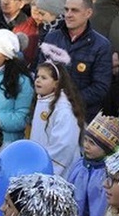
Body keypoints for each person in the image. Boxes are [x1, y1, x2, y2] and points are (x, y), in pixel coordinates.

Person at [39, 0, 112, 119]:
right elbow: (39, 70)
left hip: (81, 116)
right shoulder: (51, 38)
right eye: (66, 10)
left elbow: (100, 87)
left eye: (75, 10)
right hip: (48, 111)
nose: (68, 15)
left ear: (88, 13)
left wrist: (67, 100)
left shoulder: (101, 45)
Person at [29, 44, 84, 177]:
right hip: (39, 166)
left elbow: (64, 145)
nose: (38, 80)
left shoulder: (64, 108)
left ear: (56, 83)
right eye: (37, 76)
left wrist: (43, 168)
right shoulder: (42, 100)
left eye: (44, 78)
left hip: (56, 171)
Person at [66, 112, 119, 216]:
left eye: (92, 143)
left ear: (106, 149)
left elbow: (102, 206)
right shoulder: (80, 165)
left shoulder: (107, 174)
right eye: (86, 140)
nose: (86, 145)